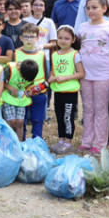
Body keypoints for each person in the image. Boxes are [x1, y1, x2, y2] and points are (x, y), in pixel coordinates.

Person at [77, 0, 109, 155]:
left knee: (101, 109)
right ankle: (87, 140)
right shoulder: (82, 27)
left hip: (104, 73)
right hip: (85, 74)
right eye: (88, 8)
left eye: (94, 7)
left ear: (104, 8)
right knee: (88, 108)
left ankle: (100, 143)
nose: (91, 10)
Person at [49, 25, 84, 154]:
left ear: (73, 40)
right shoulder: (54, 55)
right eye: (60, 38)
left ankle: (68, 142)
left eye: (66, 38)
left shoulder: (75, 54)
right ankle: (61, 140)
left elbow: (81, 73)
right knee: (59, 116)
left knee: (67, 117)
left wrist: (65, 77)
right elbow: (53, 72)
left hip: (70, 92)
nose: (63, 41)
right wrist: (51, 78)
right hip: (58, 91)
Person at [14, 23, 48, 140]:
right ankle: (21, 141)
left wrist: (44, 89)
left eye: (32, 36)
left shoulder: (41, 54)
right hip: (21, 92)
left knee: (37, 119)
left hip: (38, 92)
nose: (29, 39)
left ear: (37, 38)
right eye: (26, 36)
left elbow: (46, 74)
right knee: (21, 119)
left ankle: (37, 140)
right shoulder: (16, 53)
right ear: (21, 38)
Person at [1, 59, 39, 140]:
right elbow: (0, 82)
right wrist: (10, 88)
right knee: (11, 121)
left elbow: (28, 86)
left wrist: (30, 92)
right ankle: (7, 142)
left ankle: (19, 143)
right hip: (8, 98)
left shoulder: (30, 73)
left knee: (20, 122)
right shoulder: (9, 69)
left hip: (21, 99)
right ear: (20, 70)